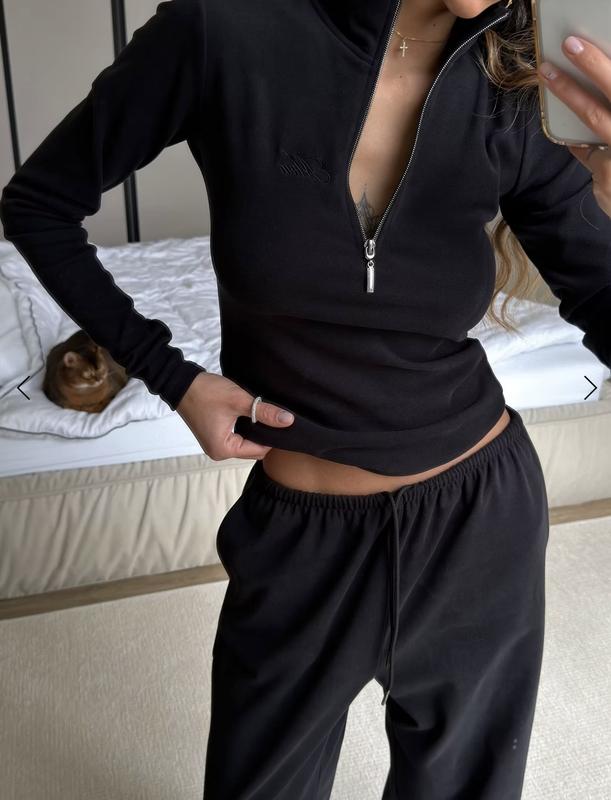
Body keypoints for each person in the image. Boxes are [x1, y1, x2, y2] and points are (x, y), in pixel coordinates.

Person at [1, 1, 610, 797]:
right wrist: (171, 377)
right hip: (301, 540)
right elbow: (39, 204)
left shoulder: (516, 78)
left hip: (482, 517)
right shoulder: (222, 28)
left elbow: (597, 294)